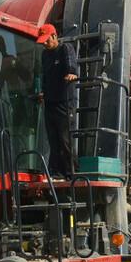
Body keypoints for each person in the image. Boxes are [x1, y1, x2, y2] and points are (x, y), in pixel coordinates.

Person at [37, 24, 78, 177]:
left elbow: (70, 64)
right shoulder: (44, 55)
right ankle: (57, 172)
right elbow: (45, 76)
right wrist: (43, 92)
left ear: (54, 36)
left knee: (64, 139)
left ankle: (71, 172)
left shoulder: (65, 49)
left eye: (47, 40)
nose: (45, 44)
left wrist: (71, 73)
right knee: (53, 139)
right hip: (50, 101)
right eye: (43, 41)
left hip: (64, 101)